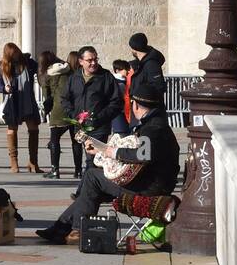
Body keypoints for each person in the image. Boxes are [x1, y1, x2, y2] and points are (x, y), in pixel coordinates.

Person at [36, 81, 180, 245]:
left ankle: (78, 230)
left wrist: (110, 152)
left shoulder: (153, 127)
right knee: (91, 189)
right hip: (150, 184)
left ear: (136, 106)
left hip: (149, 190)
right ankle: (60, 228)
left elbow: (143, 155)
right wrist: (100, 150)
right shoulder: (156, 124)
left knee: (92, 177)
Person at [62, 45, 123, 146]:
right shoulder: (74, 78)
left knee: (92, 159)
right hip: (79, 127)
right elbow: (65, 99)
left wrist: (99, 118)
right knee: (81, 156)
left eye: (95, 59)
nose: (93, 63)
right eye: (89, 60)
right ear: (81, 61)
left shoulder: (106, 77)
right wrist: (73, 115)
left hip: (99, 128)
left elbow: (117, 102)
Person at [0, 41, 42, 174]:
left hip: (28, 100)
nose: (16, 56)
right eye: (13, 55)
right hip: (13, 101)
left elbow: (41, 67)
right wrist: (4, 88)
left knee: (34, 129)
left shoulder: (28, 62)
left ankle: (33, 162)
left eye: (16, 52)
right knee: (12, 130)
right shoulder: (3, 66)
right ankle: (14, 162)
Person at [40, 52, 76, 180]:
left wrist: (46, 109)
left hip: (58, 108)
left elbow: (46, 95)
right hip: (73, 108)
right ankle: (78, 170)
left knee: (54, 139)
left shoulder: (48, 74)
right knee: (75, 140)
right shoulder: (69, 71)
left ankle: (55, 170)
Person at [126, 33, 166, 127]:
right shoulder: (141, 64)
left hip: (147, 114)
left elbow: (158, 87)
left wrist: (142, 104)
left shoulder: (151, 64)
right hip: (140, 112)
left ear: (134, 49)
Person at [110, 59, 132, 136]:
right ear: (117, 70)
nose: (128, 71)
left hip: (123, 111)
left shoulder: (123, 81)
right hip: (119, 112)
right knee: (121, 134)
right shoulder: (117, 82)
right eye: (125, 69)